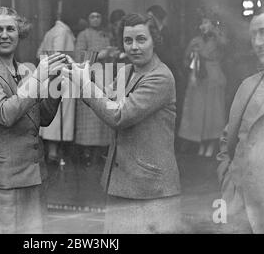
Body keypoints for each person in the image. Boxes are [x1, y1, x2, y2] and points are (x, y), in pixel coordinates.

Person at [64, 13, 181, 233]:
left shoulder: (160, 77)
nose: (134, 47)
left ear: (154, 40)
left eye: (141, 39)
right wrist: (81, 76)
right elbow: (104, 99)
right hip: (122, 184)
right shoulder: (127, 72)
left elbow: (118, 116)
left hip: (150, 189)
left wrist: (84, 85)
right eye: (128, 41)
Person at [0, 6, 67, 233]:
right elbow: (5, 114)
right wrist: (40, 77)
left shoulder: (25, 71)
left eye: (11, 29)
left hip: (31, 177)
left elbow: (44, 118)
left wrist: (58, 82)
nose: (5, 35)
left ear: (19, 33)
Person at [217, 12, 264, 233]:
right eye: (253, 36)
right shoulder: (248, 87)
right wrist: (229, 186)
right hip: (244, 214)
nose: (258, 43)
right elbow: (227, 143)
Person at [178, 15, 228, 157]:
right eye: (201, 23)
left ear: (212, 24)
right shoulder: (196, 41)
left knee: (213, 112)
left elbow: (225, 44)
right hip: (198, 80)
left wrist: (215, 31)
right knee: (199, 112)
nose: (202, 26)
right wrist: (192, 62)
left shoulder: (218, 39)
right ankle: (201, 142)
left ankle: (211, 143)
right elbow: (185, 59)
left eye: (205, 22)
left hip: (214, 78)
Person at [74, 11, 113, 165]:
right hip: (89, 76)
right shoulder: (83, 35)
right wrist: (101, 54)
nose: (96, 19)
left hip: (105, 75)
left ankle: (100, 152)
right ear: (88, 19)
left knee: (103, 112)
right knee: (89, 115)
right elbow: (79, 57)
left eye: (98, 16)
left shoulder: (104, 35)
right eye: (92, 16)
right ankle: (86, 152)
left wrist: (111, 53)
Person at [36, 15, 76, 165]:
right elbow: (58, 55)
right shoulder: (63, 32)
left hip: (51, 75)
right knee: (60, 114)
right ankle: (54, 153)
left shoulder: (51, 31)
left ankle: (51, 152)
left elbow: (39, 53)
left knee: (55, 112)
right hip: (61, 76)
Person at [147, 5, 184, 131]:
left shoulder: (167, 33)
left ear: (157, 18)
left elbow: (170, 55)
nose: (148, 20)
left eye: (150, 17)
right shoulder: (153, 33)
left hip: (170, 72)